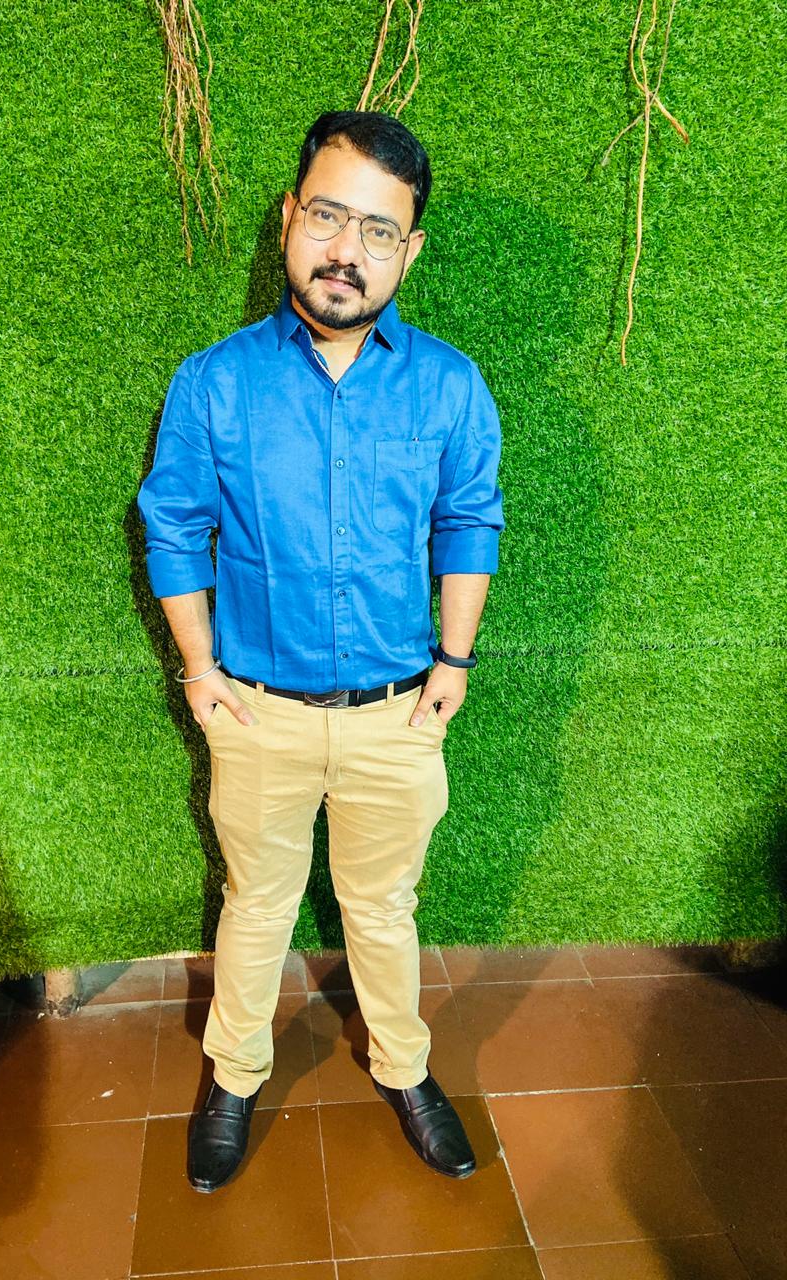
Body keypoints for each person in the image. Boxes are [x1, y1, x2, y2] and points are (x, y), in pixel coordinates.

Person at [137, 110, 505, 1193]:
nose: (348, 250)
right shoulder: (215, 382)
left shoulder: (449, 385)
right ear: (291, 216)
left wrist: (454, 665)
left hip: (399, 715)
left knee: (384, 910)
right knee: (255, 905)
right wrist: (200, 672)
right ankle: (234, 1076)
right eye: (330, 217)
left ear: (409, 250)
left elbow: (468, 521)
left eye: (378, 230)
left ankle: (406, 1069)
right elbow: (173, 525)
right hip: (259, 715)